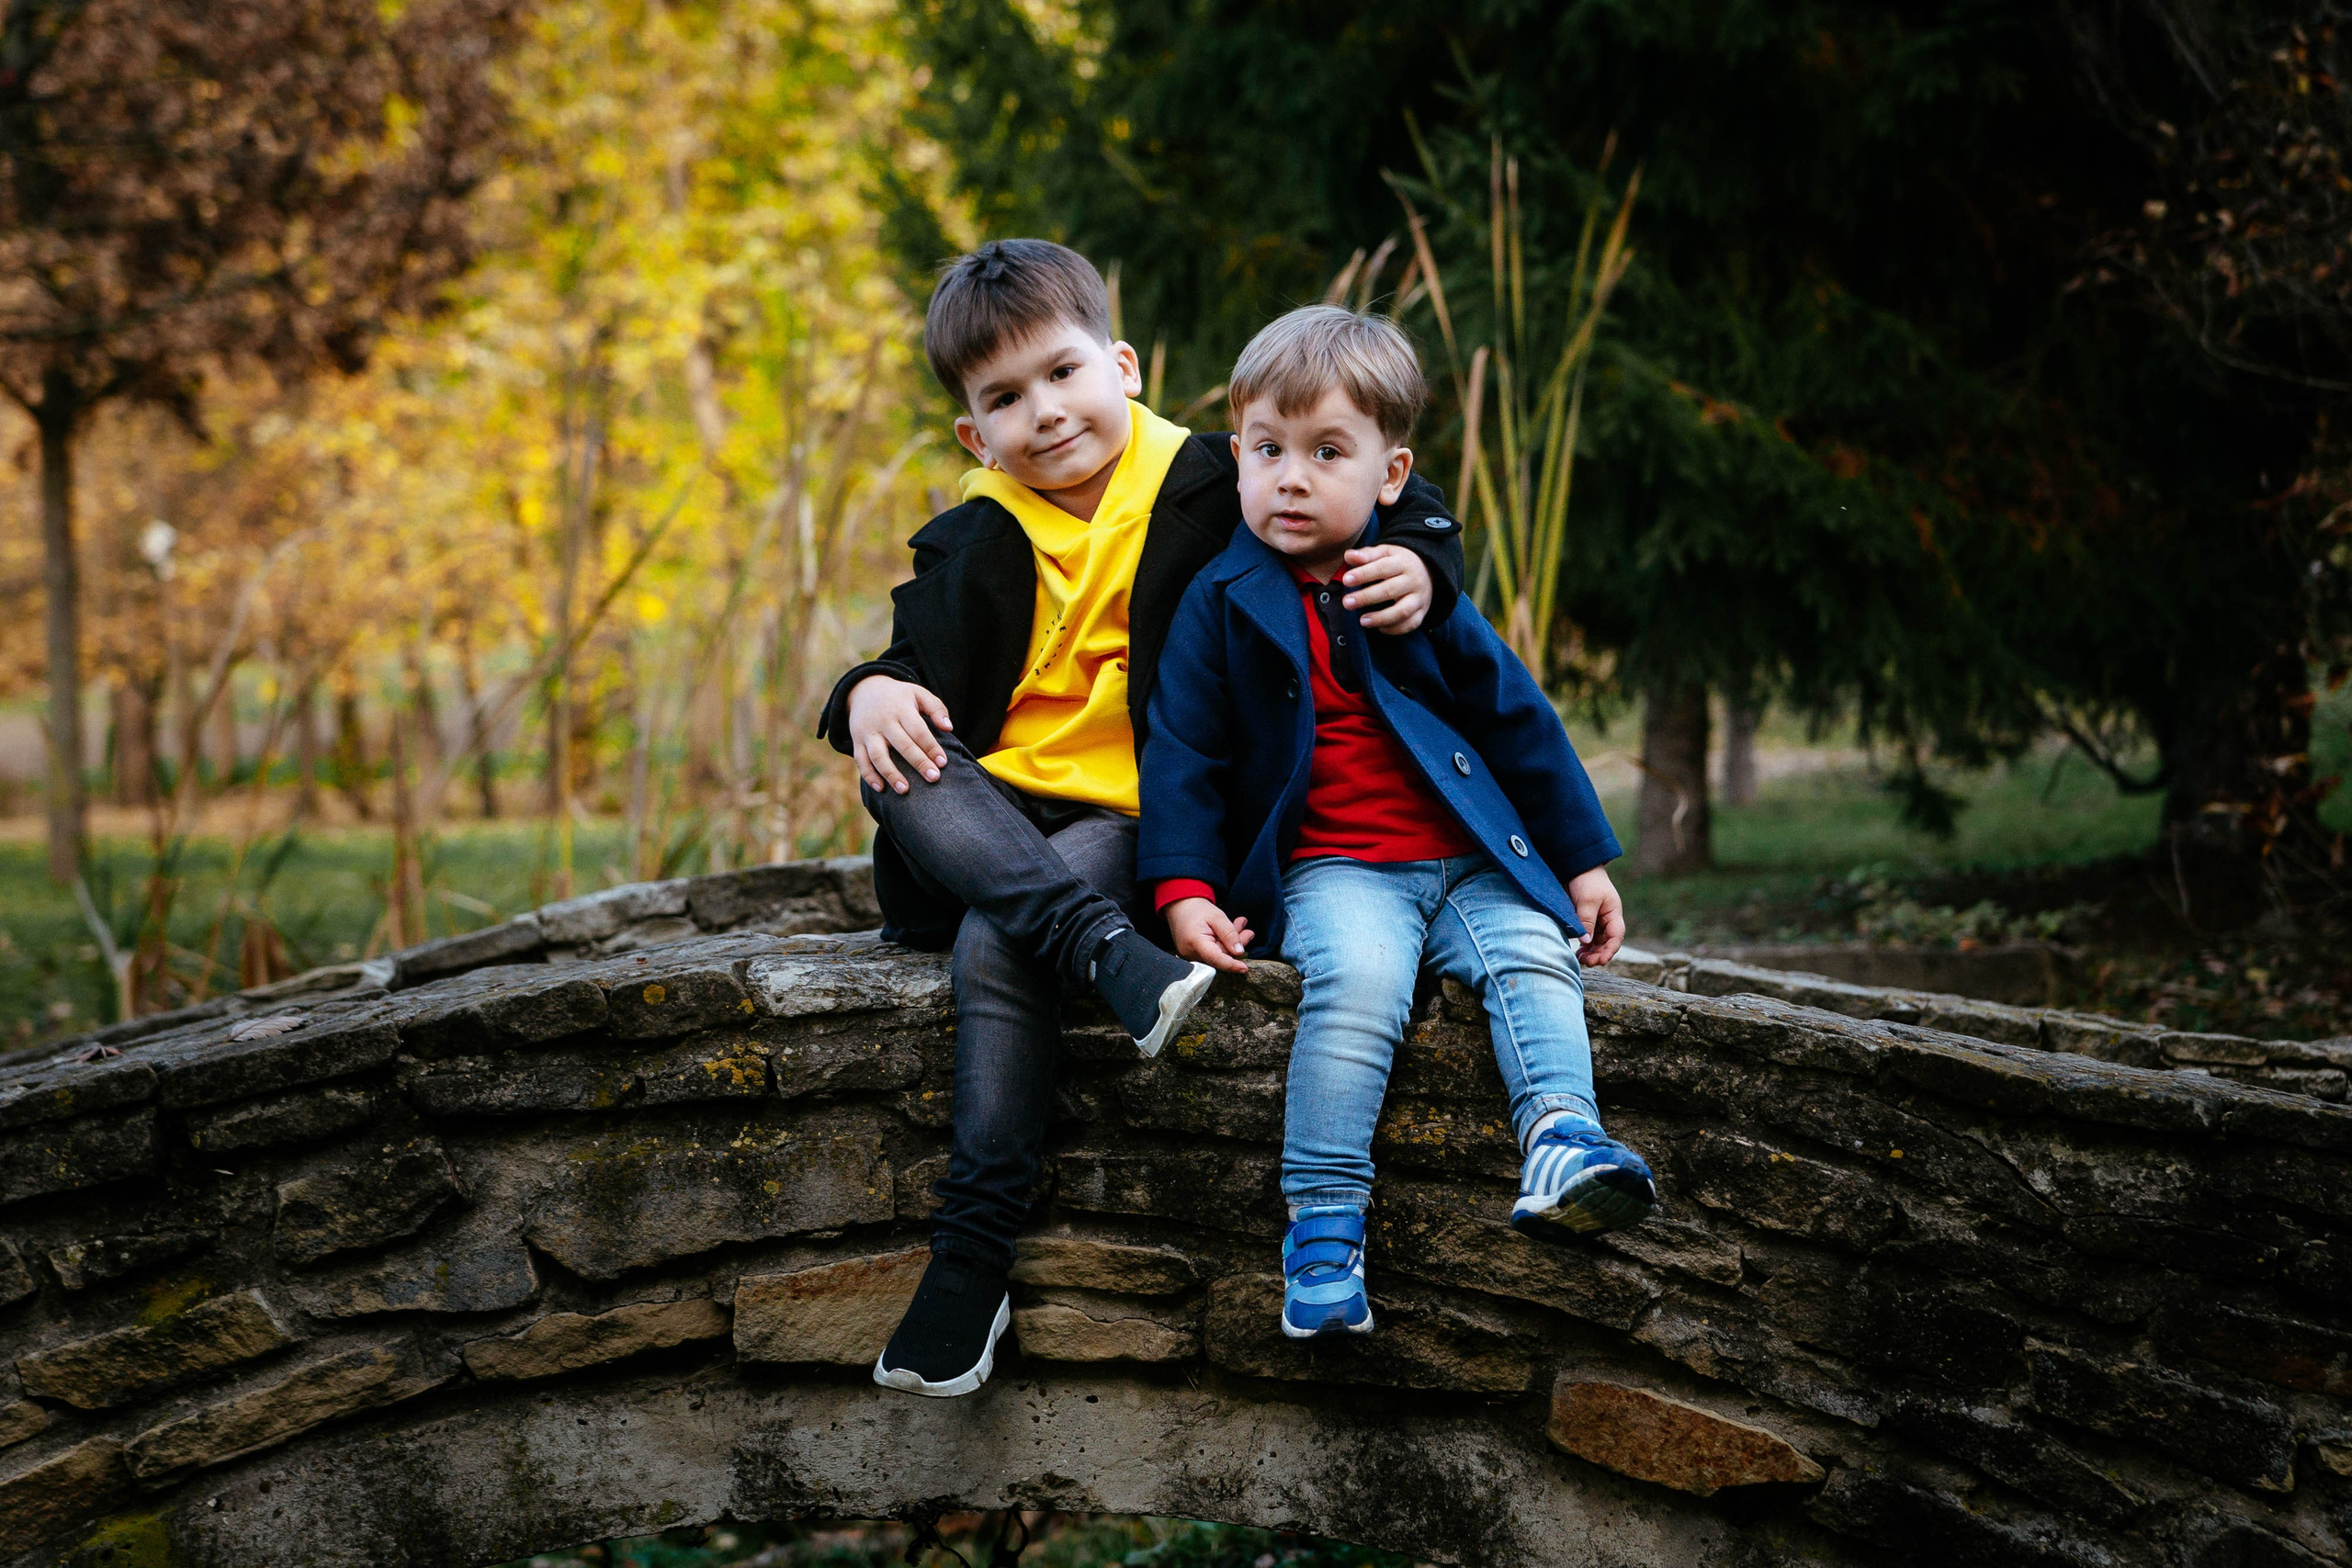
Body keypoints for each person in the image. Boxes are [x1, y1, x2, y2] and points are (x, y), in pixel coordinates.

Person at [817, 243, 1468, 1394]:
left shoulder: (1220, 477)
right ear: (975, 435)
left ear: (1119, 365)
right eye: (1004, 400)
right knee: (893, 759)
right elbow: (910, 664)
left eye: (1063, 373)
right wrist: (865, 690)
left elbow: (1373, 483)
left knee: (994, 938)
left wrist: (1419, 559)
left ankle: (968, 1263)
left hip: (1149, 812)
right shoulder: (974, 532)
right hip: (1006, 816)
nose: (1046, 413)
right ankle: (1105, 954)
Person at [1137, 304, 1654, 1340]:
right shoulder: (1219, 597)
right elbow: (1182, 750)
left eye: (1326, 452)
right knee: (1359, 987)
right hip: (1338, 869)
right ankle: (1323, 1222)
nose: (1290, 477)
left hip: (1472, 859)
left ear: (1389, 474)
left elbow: (1515, 716)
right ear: (1235, 456)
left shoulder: (1408, 585)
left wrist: (1582, 861)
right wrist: (1184, 888)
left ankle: (1562, 1135)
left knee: (1532, 957)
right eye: (1267, 450)